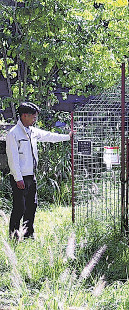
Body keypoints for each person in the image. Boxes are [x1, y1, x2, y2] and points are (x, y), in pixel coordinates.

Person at [6, 102, 72, 240]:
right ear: (24, 116)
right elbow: (13, 159)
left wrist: (68, 137)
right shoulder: (13, 134)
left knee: (32, 206)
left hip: (31, 176)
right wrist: (18, 178)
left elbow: (49, 136)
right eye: (33, 117)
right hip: (20, 177)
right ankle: (14, 236)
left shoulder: (33, 131)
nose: (35, 119)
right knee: (19, 208)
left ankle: (28, 234)